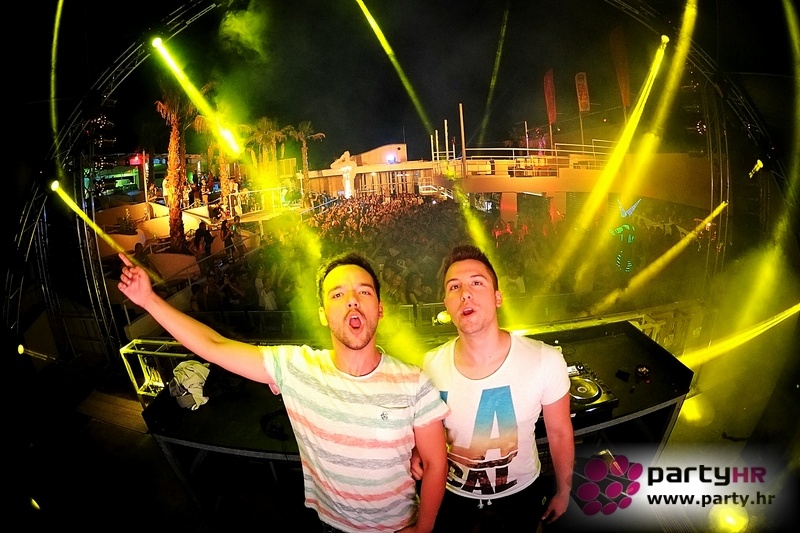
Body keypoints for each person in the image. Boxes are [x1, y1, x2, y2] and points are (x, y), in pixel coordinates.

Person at [117, 251, 449, 533]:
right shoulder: (296, 367)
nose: (352, 299)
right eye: (337, 295)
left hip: (398, 527)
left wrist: (423, 530)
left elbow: (436, 462)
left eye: (364, 291)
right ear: (322, 314)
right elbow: (214, 345)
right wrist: (149, 300)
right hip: (331, 526)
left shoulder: (413, 381)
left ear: (380, 308)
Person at [413, 244, 574, 532]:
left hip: (521, 495)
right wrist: (418, 451)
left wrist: (564, 491)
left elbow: (560, 433)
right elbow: (429, 433)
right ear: (446, 305)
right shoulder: (431, 364)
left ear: (498, 297)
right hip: (452, 495)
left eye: (477, 283)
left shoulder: (545, 359)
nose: (465, 293)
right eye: (454, 287)